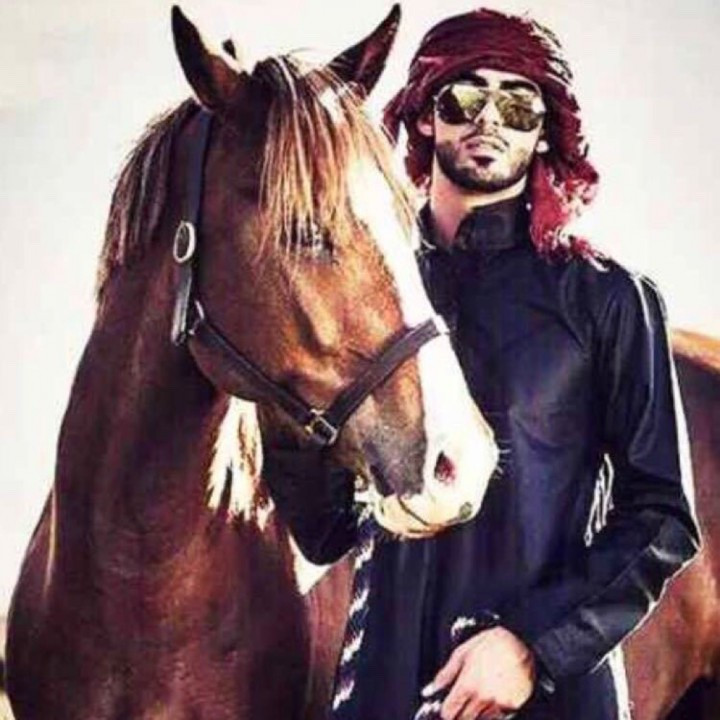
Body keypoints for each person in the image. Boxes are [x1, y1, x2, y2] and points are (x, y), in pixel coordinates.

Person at [264, 9, 700, 720]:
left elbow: (662, 517)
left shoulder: (606, 299)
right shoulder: (367, 294)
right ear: (425, 116)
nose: (490, 119)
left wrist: (536, 645)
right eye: (464, 98)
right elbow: (327, 531)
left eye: (519, 105)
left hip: (551, 697)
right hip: (383, 693)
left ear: (544, 131)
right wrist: (283, 415)